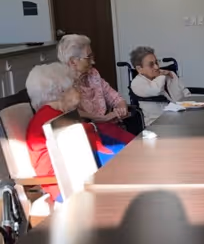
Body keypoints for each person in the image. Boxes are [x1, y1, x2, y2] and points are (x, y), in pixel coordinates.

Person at [25, 63, 125, 204]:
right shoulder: (53, 120)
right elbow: (85, 154)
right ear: (61, 91)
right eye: (73, 86)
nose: (78, 91)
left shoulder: (55, 114)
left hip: (80, 175)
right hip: (67, 185)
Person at [57, 34, 135, 144]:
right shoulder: (63, 82)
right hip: (89, 135)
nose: (93, 61)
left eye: (92, 56)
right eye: (88, 58)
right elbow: (70, 113)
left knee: (138, 145)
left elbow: (115, 97)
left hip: (109, 128)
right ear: (73, 61)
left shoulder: (93, 74)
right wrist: (102, 118)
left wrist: (121, 107)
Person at [129, 46, 191, 125]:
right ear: (139, 69)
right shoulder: (137, 83)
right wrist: (162, 75)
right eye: (151, 65)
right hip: (157, 125)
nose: (157, 67)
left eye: (156, 62)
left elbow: (185, 93)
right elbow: (156, 90)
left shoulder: (168, 75)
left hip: (181, 118)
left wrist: (171, 76)